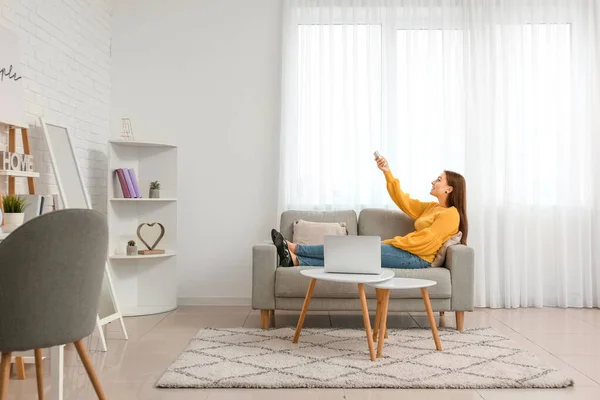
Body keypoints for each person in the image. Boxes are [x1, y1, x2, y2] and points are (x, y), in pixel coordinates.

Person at [271, 154, 468, 269]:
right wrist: (387, 172)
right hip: (406, 250)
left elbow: (427, 240)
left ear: (449, 189)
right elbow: (403, 200)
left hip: (416, 258)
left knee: (356, 250)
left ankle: (296, 248)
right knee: (352, 252)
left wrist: (393, 242)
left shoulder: (451, 215)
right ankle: (297, 260)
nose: (433, 181)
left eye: (439, 180)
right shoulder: (432, 207)